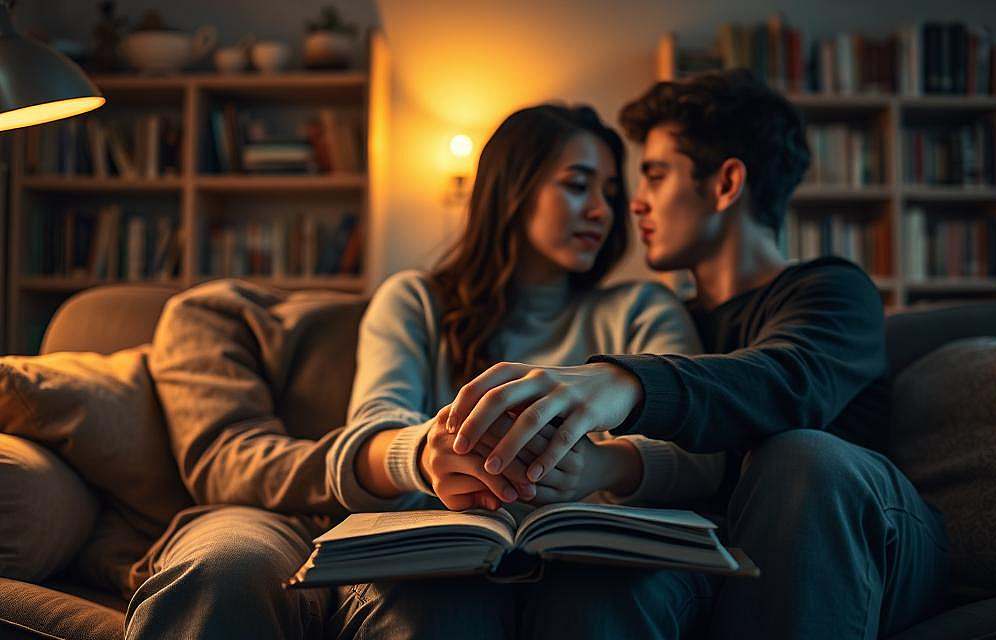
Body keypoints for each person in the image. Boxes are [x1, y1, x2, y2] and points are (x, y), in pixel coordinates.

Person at [445, 71, 950, 639]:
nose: (632, 205)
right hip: (728, 552)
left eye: (655, 176)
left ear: (726, 183)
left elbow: (789, 381)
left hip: (870, 538)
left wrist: (624, 385)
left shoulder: (833, 291)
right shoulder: (670, 321)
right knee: (597, 581)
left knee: (802, 456)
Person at [327, 103, 723, 639]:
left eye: (609, 192)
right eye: (578, 185)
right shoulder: (414, 300)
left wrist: (601, 468)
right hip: (441, 564)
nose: (604, 211)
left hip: (597, 568)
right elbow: (362, 439)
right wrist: (427, 454)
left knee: (595, 605)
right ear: (512, 187)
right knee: (439, 610)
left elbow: (705, 450)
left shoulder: (641, 309)